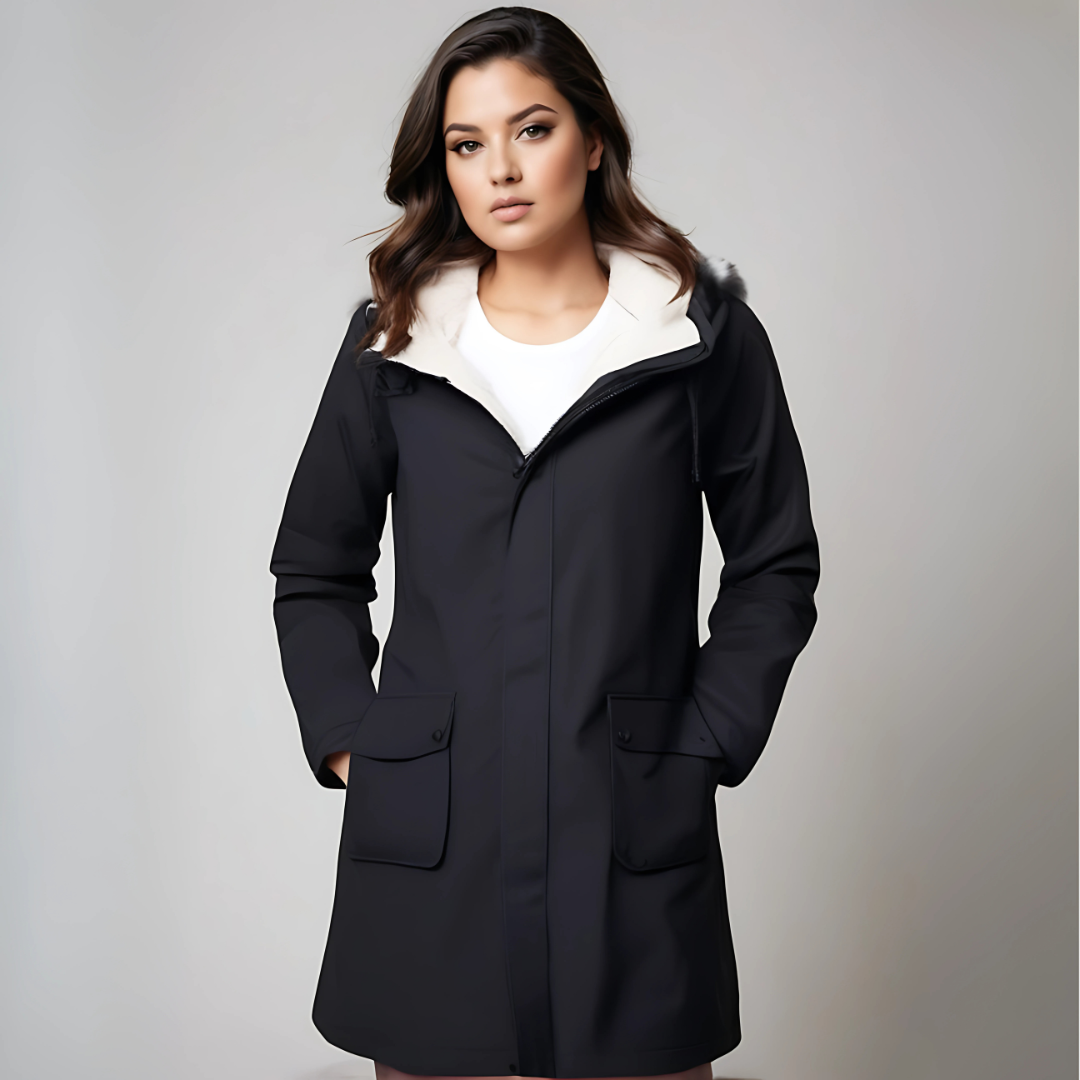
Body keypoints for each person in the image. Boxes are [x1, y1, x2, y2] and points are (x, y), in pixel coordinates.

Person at [268, 7, 820, 1080]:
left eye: (532, 129)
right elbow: (315, 570)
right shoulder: (395, 342)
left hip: (627, 839)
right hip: (432, 850)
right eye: (466, 144)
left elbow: (774, 565)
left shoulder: (696, 334)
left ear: (593, 138)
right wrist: (352, 744)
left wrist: (705, 738)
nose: (501, 170)